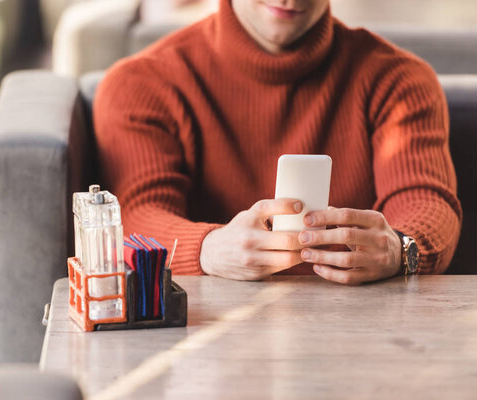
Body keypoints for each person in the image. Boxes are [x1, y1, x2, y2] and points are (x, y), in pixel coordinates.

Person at [92, 0, 461, 284]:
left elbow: (426, 203)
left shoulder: (399, 80)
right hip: (205, 345)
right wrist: (206, 250)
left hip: (365, 336)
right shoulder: (140, 84)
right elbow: (137, 216)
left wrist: (400, 248)